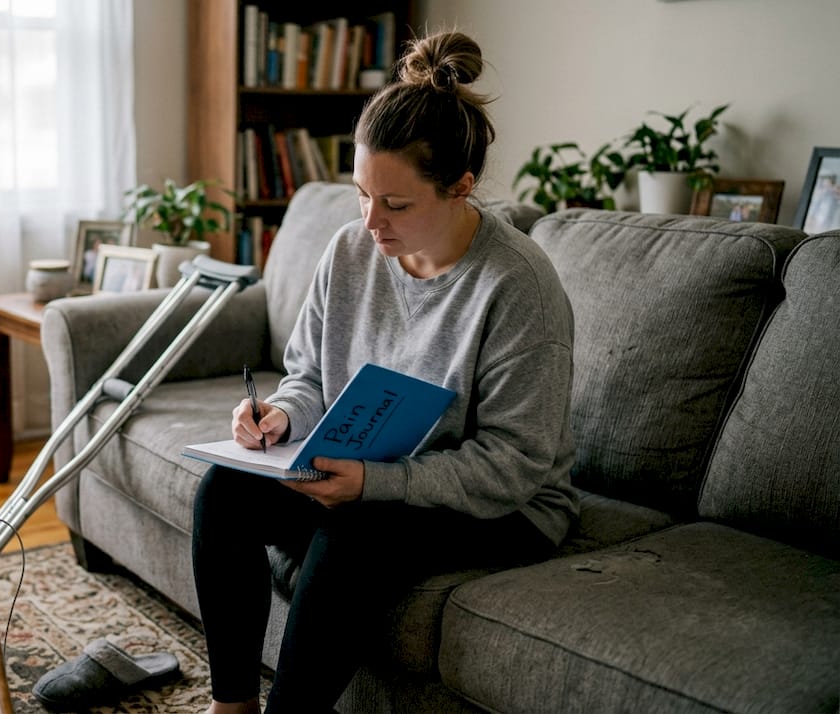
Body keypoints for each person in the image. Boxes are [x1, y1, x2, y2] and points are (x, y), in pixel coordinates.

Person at [191, 30, 578, 714]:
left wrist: (379, 481)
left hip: (507, 505)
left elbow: (517, 463)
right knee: (224, 491)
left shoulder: (518, 284)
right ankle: (231, 706)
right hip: (364, 470)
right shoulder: (350, 250)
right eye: (362, 194)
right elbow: (309, 374)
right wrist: (282, 415)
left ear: (460, 187)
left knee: (360, 526)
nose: (371, 222)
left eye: (396, 204)